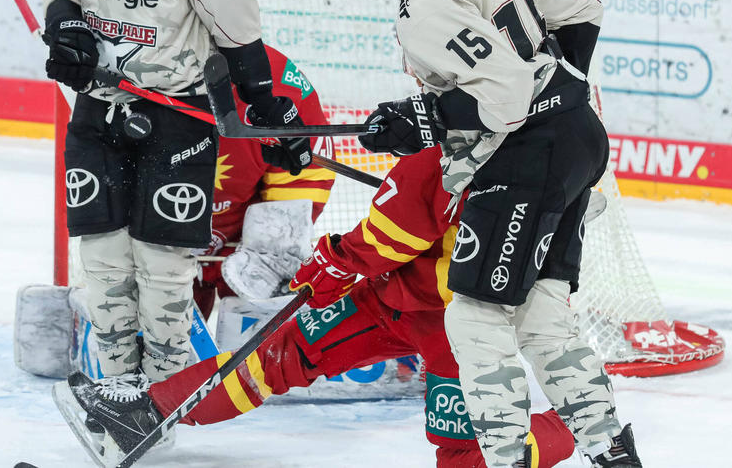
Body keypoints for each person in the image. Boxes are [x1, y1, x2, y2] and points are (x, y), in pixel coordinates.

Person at [353, 0, 639, 468]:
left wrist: (422, 119)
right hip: (578, 138)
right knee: (541, 317)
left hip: (525, 156)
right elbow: (583, 6)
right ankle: (615, 454)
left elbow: (505, 97)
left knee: (478, 318)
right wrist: (560, 90)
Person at [52, 148, 577, 468]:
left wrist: (331, 264)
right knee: (281, 353)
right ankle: (148, 412)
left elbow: (382, 238)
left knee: (465, 463)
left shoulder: (501, 156)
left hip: (460, 331)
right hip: (390, 297)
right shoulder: (464, 140)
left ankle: (568, 426)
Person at [41, 0, 311, 394]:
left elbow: (239, 38)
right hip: (101, 105)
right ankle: (117, 385)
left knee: (163, 270)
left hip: (176, 113)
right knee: (104, 261)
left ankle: (164, 392)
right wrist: (65, 28)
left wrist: (271, 113)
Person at [194, 44, 336, 318]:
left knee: (258, 345)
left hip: (243, 248)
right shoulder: (141, 61)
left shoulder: (276, 82)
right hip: (156, 240)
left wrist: (270, 254)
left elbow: (304, 174)